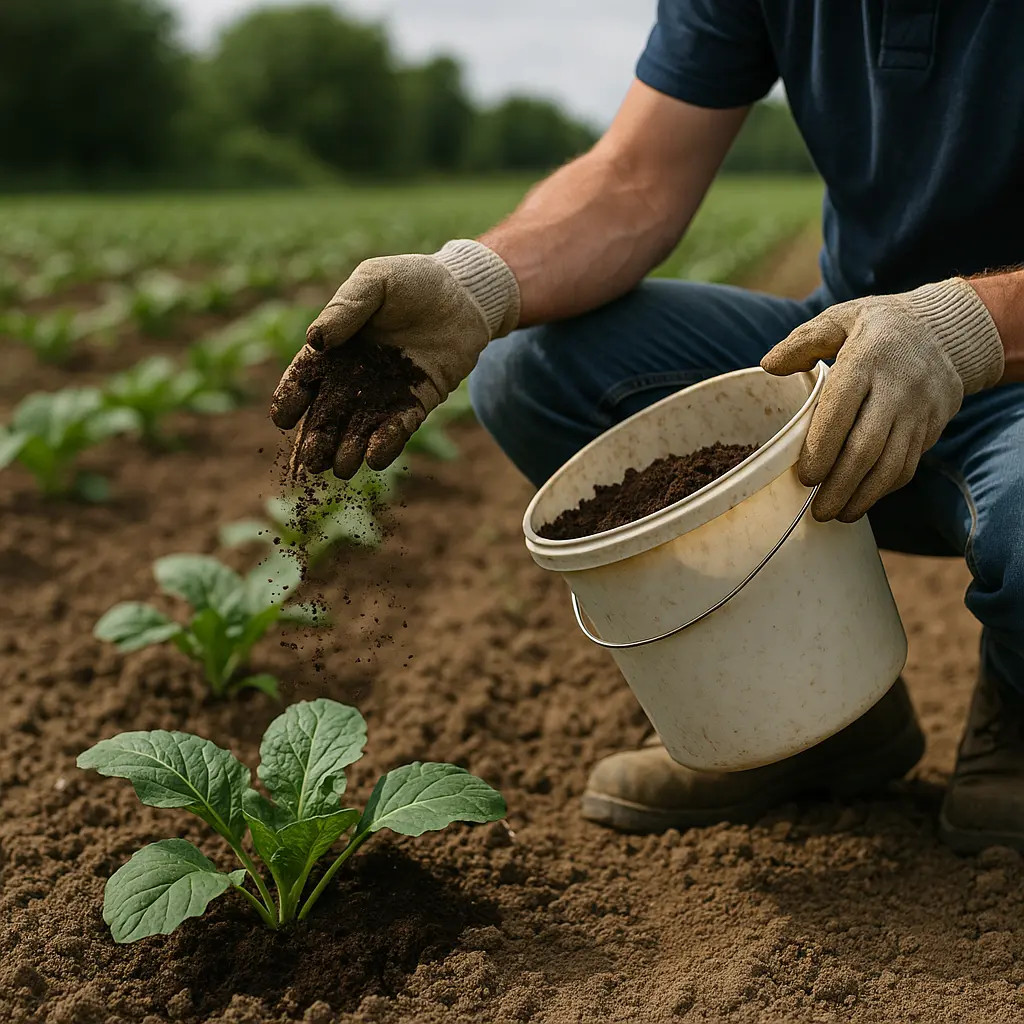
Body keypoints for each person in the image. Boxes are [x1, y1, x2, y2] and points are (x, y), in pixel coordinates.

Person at [271, 2, 1024, 854]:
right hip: (848, 350)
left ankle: (1020, 707)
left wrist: (967, 327)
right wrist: (477, 282)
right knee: (537, 374)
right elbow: (636, 178)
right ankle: (805, 709)